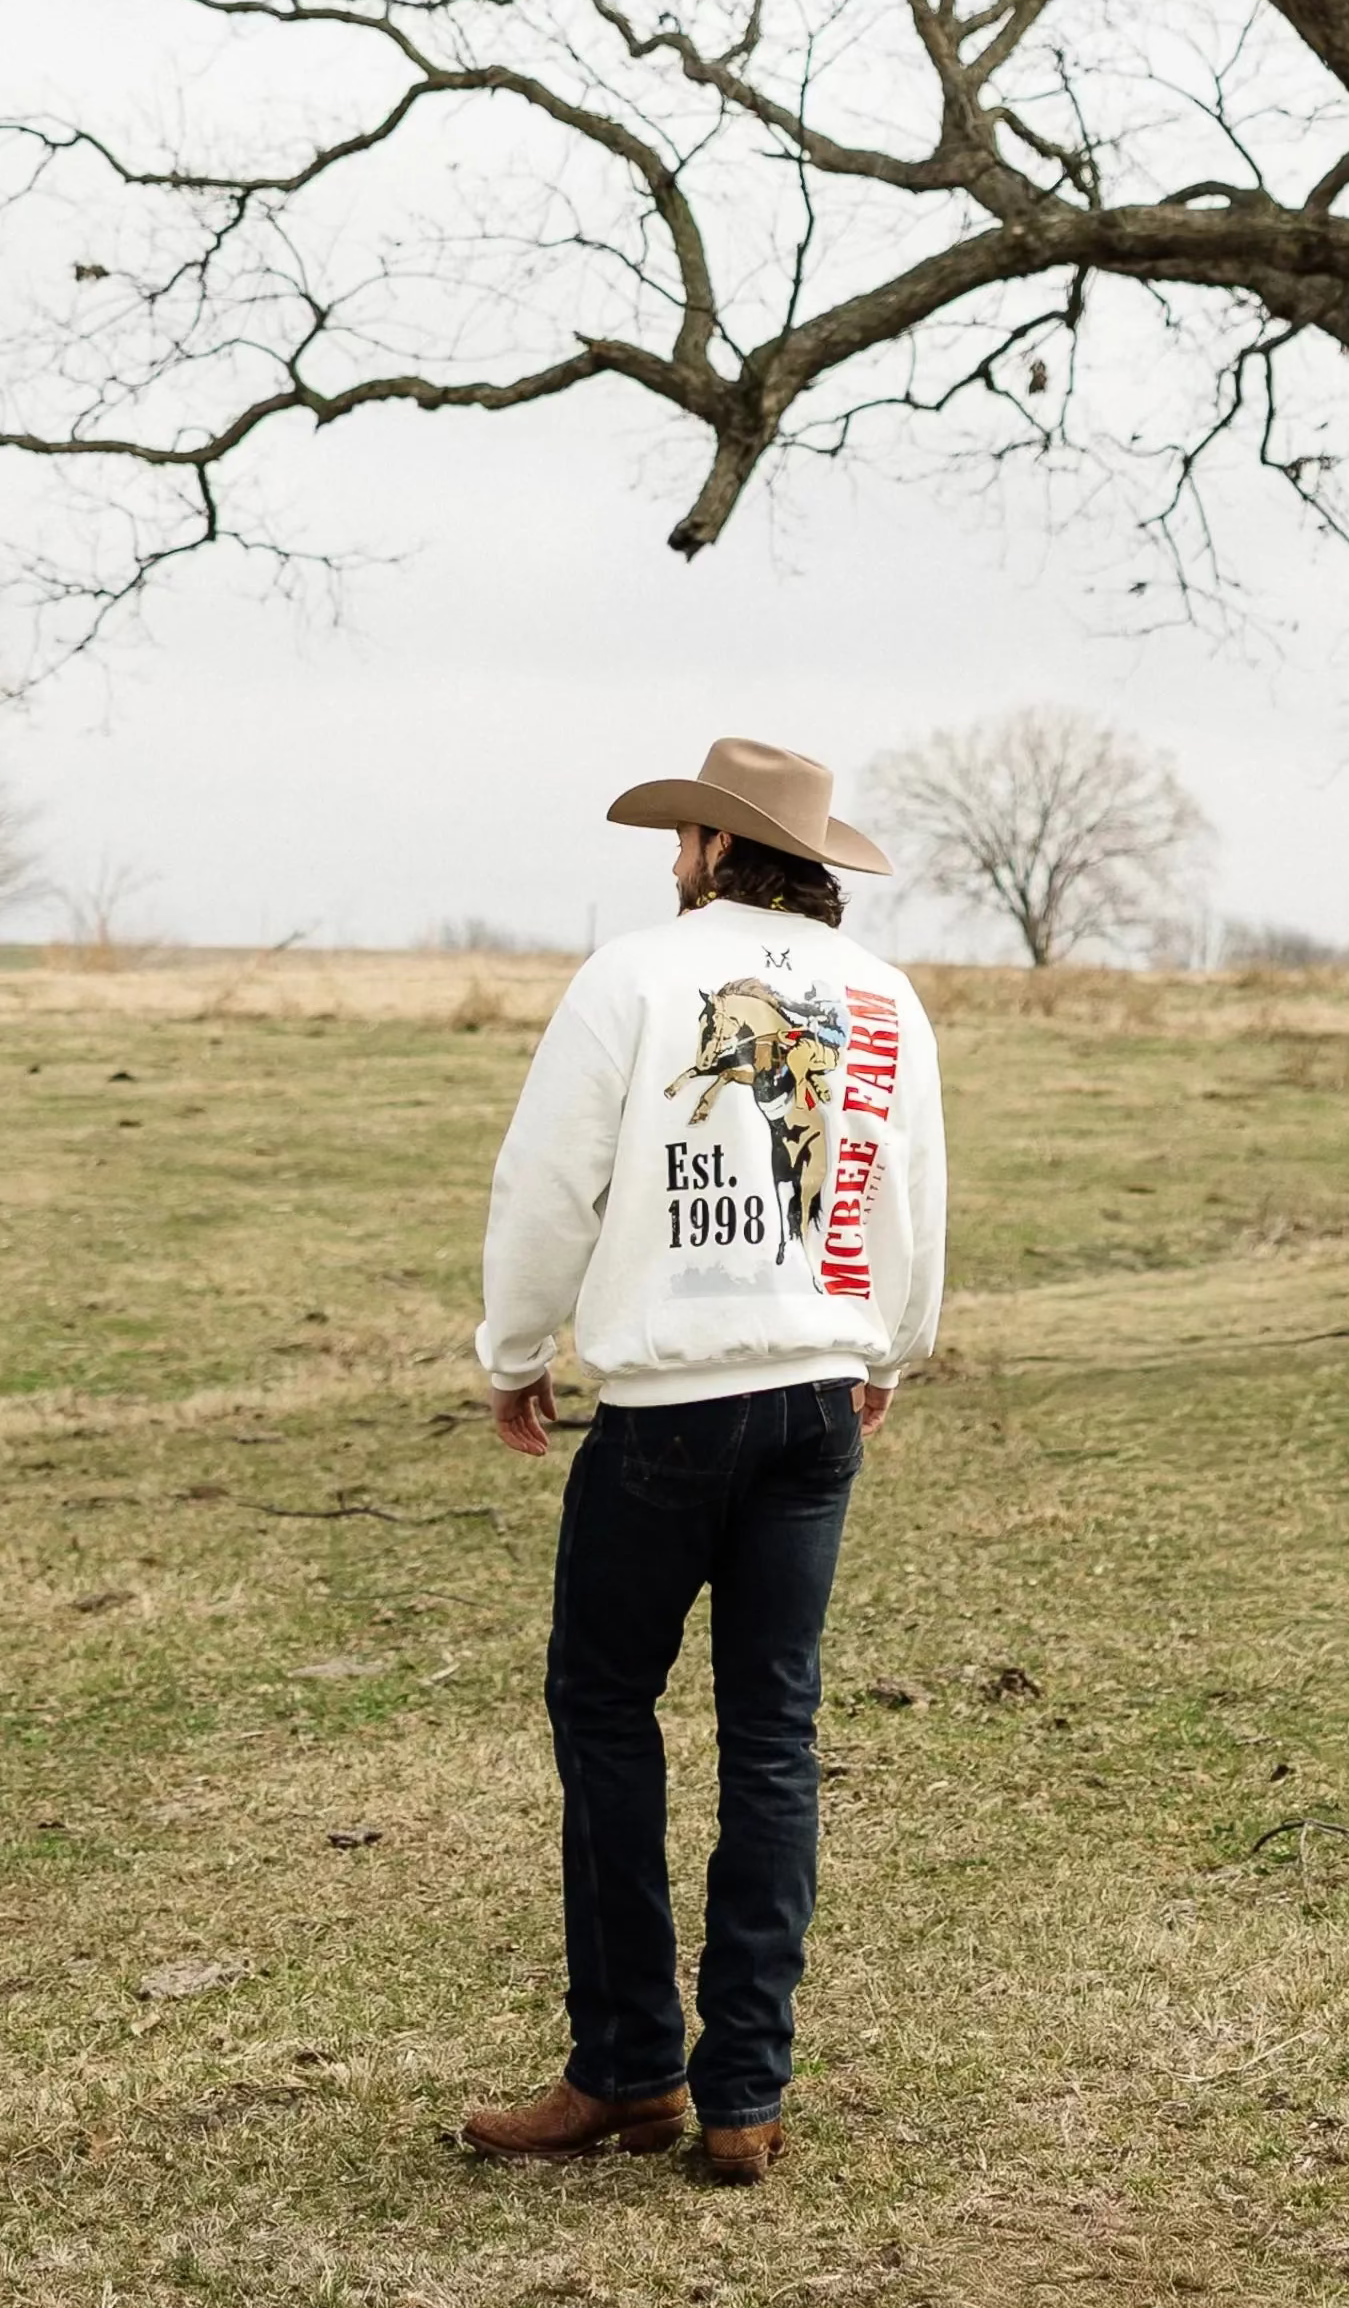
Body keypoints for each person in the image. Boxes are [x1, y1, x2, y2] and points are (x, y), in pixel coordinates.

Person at [460, 736, 946, 2188]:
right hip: (813, 1401)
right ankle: (742, 2095)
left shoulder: (632, 973)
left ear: (719, 851)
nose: (672, 857)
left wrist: (513, 1347)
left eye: (685, 837)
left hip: (673, 1403)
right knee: (772, 1736)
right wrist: (886, 1352)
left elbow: (547, 1174)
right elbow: (904, 1184)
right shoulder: (884, 996)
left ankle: (625, 2068)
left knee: (605, 1705)